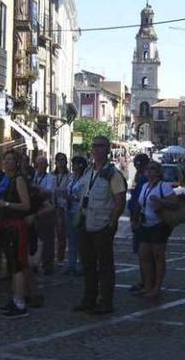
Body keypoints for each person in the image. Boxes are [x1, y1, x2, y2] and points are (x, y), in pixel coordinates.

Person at [74, 135, 127, 315]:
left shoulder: (113, 174)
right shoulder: (89, 172)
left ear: (107, 149)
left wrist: (113, 221)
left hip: (102, 225)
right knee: (88, 264)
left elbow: (120, 200)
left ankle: (106, 302)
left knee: (105, 266)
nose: (96, 149)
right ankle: (89, 298)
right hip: (86, 224)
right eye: (94, 146)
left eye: (101, 146)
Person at [0, 150, 32, 319]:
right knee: (12, 264)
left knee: (18, 264)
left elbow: (25, 205)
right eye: (5, 160)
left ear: (16, 163)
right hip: (7, 225)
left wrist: (5, 203)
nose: (6, 162)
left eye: (10, 160)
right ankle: (15, 298)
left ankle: (20, 302)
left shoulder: (19, 179)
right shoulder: (6, 180)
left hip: (16, 226)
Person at [133, 161, 177, 299]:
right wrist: (136, 219)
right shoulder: (145, 186)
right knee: (144, 255)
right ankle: (147, 286)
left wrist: (161, 201)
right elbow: (141, 204)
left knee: (158, 257)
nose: (150, 171)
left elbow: (175, 203)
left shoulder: (164, 186)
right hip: (144, 224)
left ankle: (157, 287)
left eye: (153, 169)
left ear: (158, 172)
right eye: (148, 169)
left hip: (159, 225)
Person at [127, 153, 150, 293]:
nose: (137, 167)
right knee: (143, 254)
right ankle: (144, 281)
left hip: (143, 221)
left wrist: (134, 219)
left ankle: (146, 282)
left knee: (145, 254)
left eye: (138, 164)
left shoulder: (144, 179)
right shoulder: (141, 178)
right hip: (139, 220)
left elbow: (138, 202)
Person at [31, 156, 57, 275]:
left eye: (42, 164)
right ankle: (35, 262)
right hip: (35, 209)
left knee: (47, 239)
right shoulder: (34, 176)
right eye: (38, 164)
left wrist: (37, 188)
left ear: (47, 166)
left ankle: (48, 265)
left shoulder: (51, 177)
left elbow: (50, 191)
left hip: (47, 210)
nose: (39, 166)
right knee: (35, 238)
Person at [64, 156, 87, 275]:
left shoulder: (84, 180)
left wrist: (73, 197)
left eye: (75, 164)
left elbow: (84, 196)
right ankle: (71, 265)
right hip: (69, 210)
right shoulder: (72, 178)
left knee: (80, 239)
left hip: (78, 211)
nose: (73, 167)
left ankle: (81, 265)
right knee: (71, 239)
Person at [52, 153, 72, 268]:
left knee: (62, 233)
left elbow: (68, 191)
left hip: (63, 207)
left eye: (63, 159)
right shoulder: (52, 175)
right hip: (53, 206)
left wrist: (57, 190)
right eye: (59, 159)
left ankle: (60, 257)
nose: (61, 162)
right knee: (52, 233)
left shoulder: (69, 176)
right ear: (55, 162)